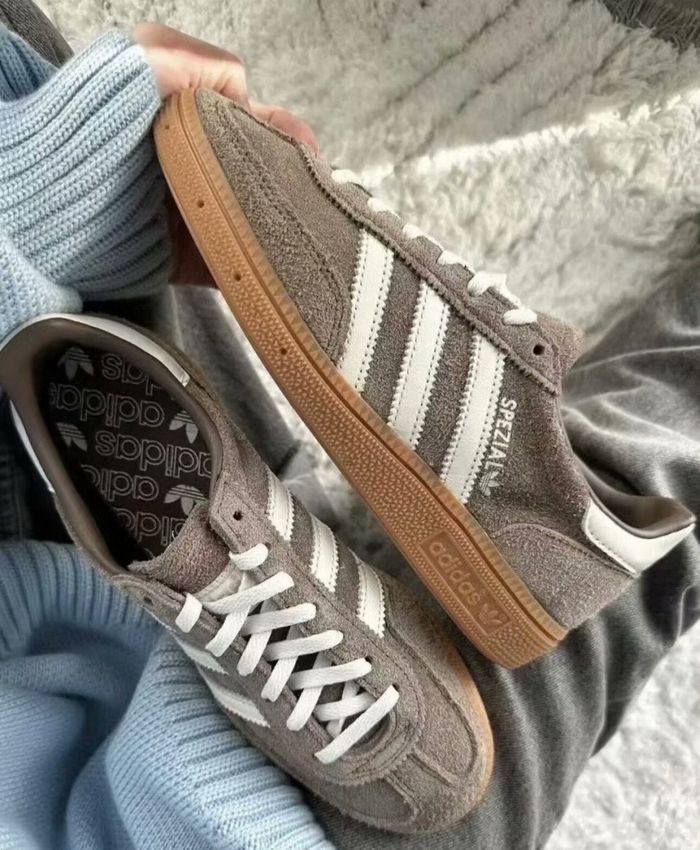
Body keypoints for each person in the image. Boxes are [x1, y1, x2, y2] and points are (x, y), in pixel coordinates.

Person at [0, 3, 697, 849]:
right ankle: (533, 497)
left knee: (653, 492)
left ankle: (511, 501)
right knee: (624, 521)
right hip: (312, 768)